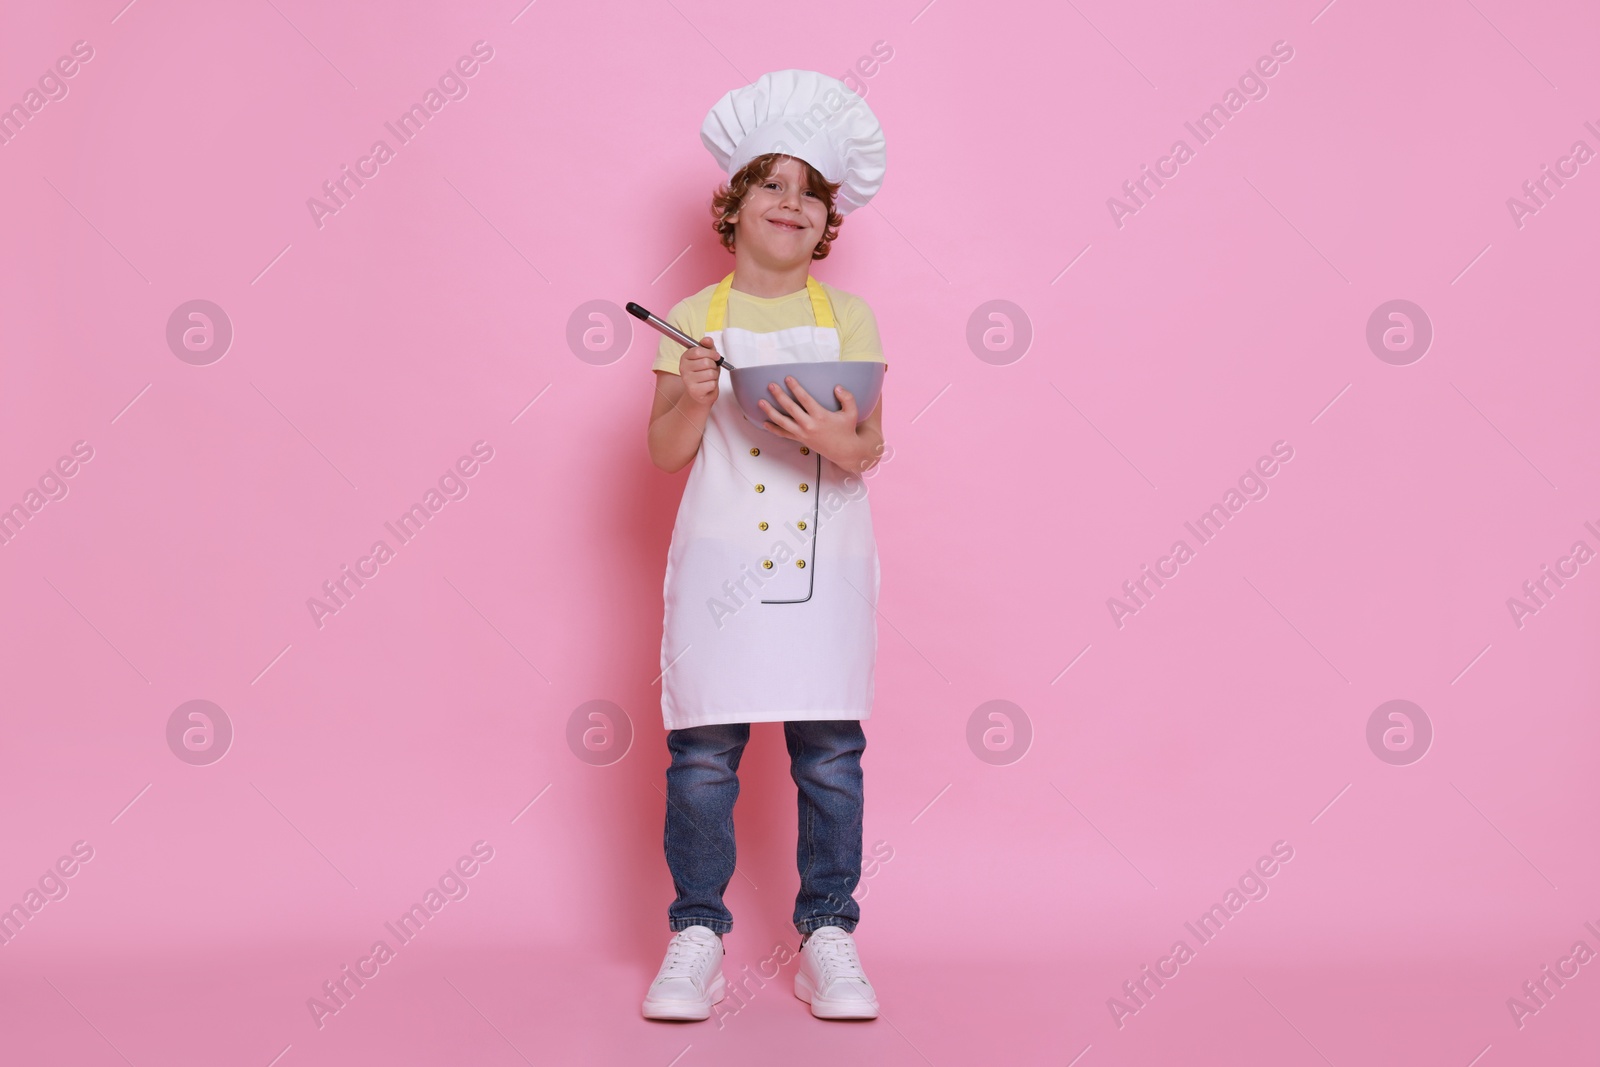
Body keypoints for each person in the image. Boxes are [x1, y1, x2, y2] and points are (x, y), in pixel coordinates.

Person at [641, 70, 890, 1023]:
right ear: (734, 204)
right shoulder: (694, 320)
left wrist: (833, 438)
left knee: (829, 754)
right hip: (721, 573)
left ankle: (829, 932)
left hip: (827, 569)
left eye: (809, 190)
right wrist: (695, 393)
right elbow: (666, 454)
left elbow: (870, 448)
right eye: (771, 183)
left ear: (827, 219)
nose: (790, 201)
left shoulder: (848, 320)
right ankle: (696, 931)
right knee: (703, 755)